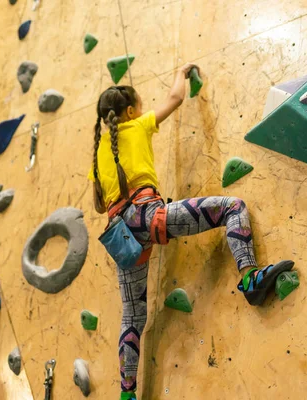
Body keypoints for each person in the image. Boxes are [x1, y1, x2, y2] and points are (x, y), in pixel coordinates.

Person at [88, 63, 294, 400]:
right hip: (148, 214)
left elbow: (100, 204)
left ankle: (127, 394)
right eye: (139, 105)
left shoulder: (98, 153)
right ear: (129, 111)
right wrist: (181, 73)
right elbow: (174, 98)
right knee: (233, 208)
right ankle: (250, 278)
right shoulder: (137, 125)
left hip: (122, 236)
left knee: (132, 317)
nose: (143, 110)